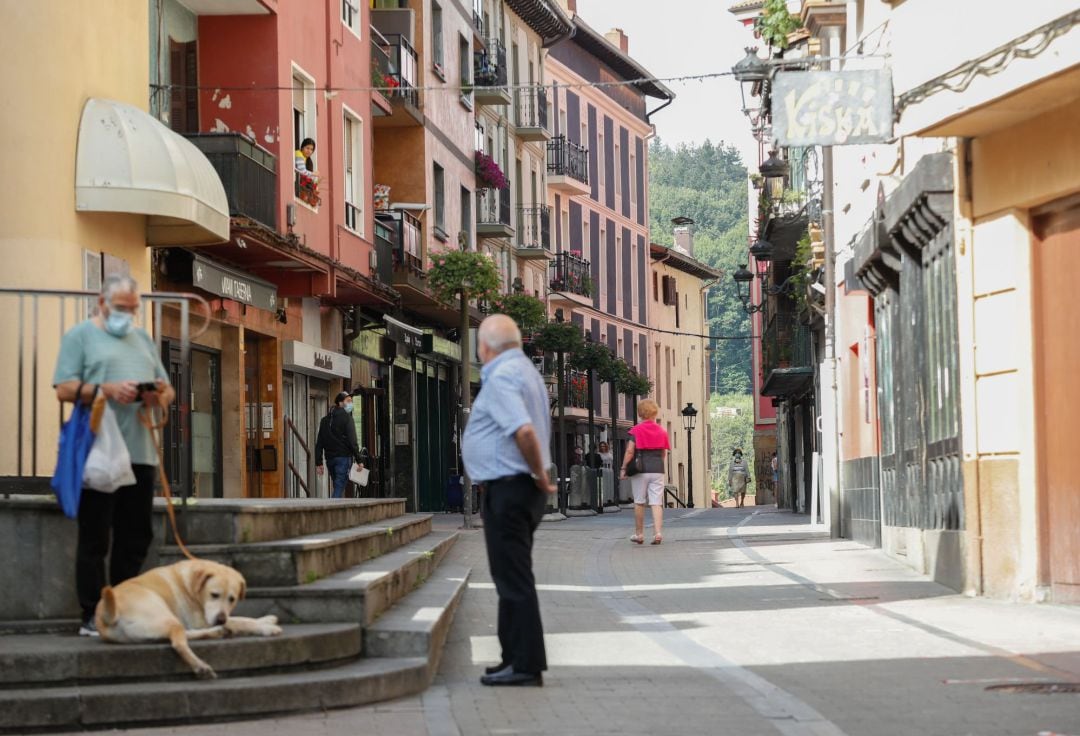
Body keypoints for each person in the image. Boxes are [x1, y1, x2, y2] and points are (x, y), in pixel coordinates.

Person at [52, 274, 176, 637]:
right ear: (102, 303)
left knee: (136, 535)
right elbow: (63, 389)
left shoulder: (141, 338)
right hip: (99, 452)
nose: (128, 315)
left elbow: (166, 388)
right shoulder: (80, 336)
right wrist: (105, 389)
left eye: (133, 309)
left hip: (140, 451)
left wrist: (156, 395)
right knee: (95, 536)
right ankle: (92, 612)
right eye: (122, 308)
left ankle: (124, 605)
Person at [462, 315, 555, 688]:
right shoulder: (527, 372)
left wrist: (538, 474)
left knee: (513, 578)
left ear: (484, 347)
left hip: (510, 487)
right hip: (516, 488)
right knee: (509, 576)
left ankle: (526, 665)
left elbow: (524, 431)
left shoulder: (500, 376)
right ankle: (511, 657)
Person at [619, 399, 669, 545]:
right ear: (654, 412)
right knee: (656, 503)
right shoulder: (662, 431)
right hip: (658, 469)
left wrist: (623, 469)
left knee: (639, 502)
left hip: (640, 469)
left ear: (640, 413)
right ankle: (658, 533)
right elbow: (663, 453)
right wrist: (658, 465)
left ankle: (639, 534)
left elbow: (629, 451)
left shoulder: (636, 430)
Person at [315, 391, 364, 499]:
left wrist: (319, 462)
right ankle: (332, 509)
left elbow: (319, 442)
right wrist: (359, 460)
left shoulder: (324, 420)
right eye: (348, 401)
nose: (351, 403)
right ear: (340, 403)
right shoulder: (347, 418)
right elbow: (352, 441)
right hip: (343, 458)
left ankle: (334, 507)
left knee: (337, 484)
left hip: (330, 459)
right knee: (339, 485)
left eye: (351, 401)